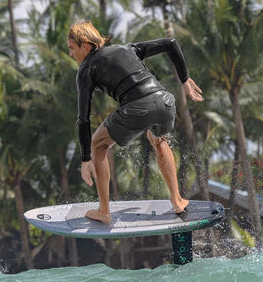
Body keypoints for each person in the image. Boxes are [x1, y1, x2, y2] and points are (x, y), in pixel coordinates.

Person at [67, 20, 204, 224]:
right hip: (165, 102)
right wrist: (184, 80)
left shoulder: (87, 68)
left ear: (84, 45)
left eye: (71, 48)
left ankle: (104, 211)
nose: (71, 54)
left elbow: (83, 118)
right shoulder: (127, 48)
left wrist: (86, 159)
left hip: (138, 107)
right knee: (158, 139)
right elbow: (171, 43)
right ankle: (177, 200)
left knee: (99, 144)